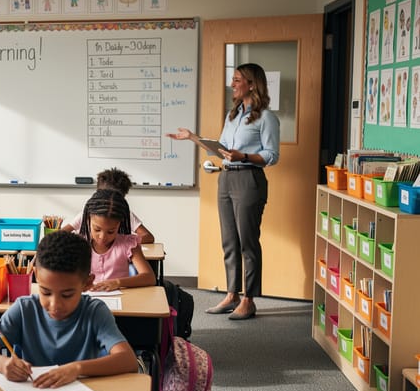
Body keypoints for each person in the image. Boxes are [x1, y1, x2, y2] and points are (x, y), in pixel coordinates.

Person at [166, 62, 280, 320]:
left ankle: (249, 299)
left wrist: (244, 156)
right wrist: (193, 137)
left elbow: (272, 156)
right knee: (229, 241)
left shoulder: (266, 118)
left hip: (249, 180)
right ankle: (232, 294)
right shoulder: (233, 116)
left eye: (238, 79)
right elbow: (222, 148)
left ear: (252, 84)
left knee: (247, 242)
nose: (233, 83)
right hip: (226, 179)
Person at [0, 230, 138, 388]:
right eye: (46, 292)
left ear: (87, 283)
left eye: (67, 295)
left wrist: (77, 368)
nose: (55, 304)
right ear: (36, 275)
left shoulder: (94, 312)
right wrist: (2, 363)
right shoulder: (24, 308)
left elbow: (128, 360)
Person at [79, 189, 156, 291]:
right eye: (97, 229)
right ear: (88, 219)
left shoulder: (128, 244)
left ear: (120, 224)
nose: (102, 236)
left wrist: (118, 282)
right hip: (88, 299)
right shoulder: (79, 243)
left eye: (111, 231)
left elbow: (149, 277)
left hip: (121, 300)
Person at [62, 167, 155, 244]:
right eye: (97, 229)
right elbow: (61, 234)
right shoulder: (90, 213)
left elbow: (148, 237)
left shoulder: (124, 214)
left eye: (110, 231)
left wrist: (123, 242)